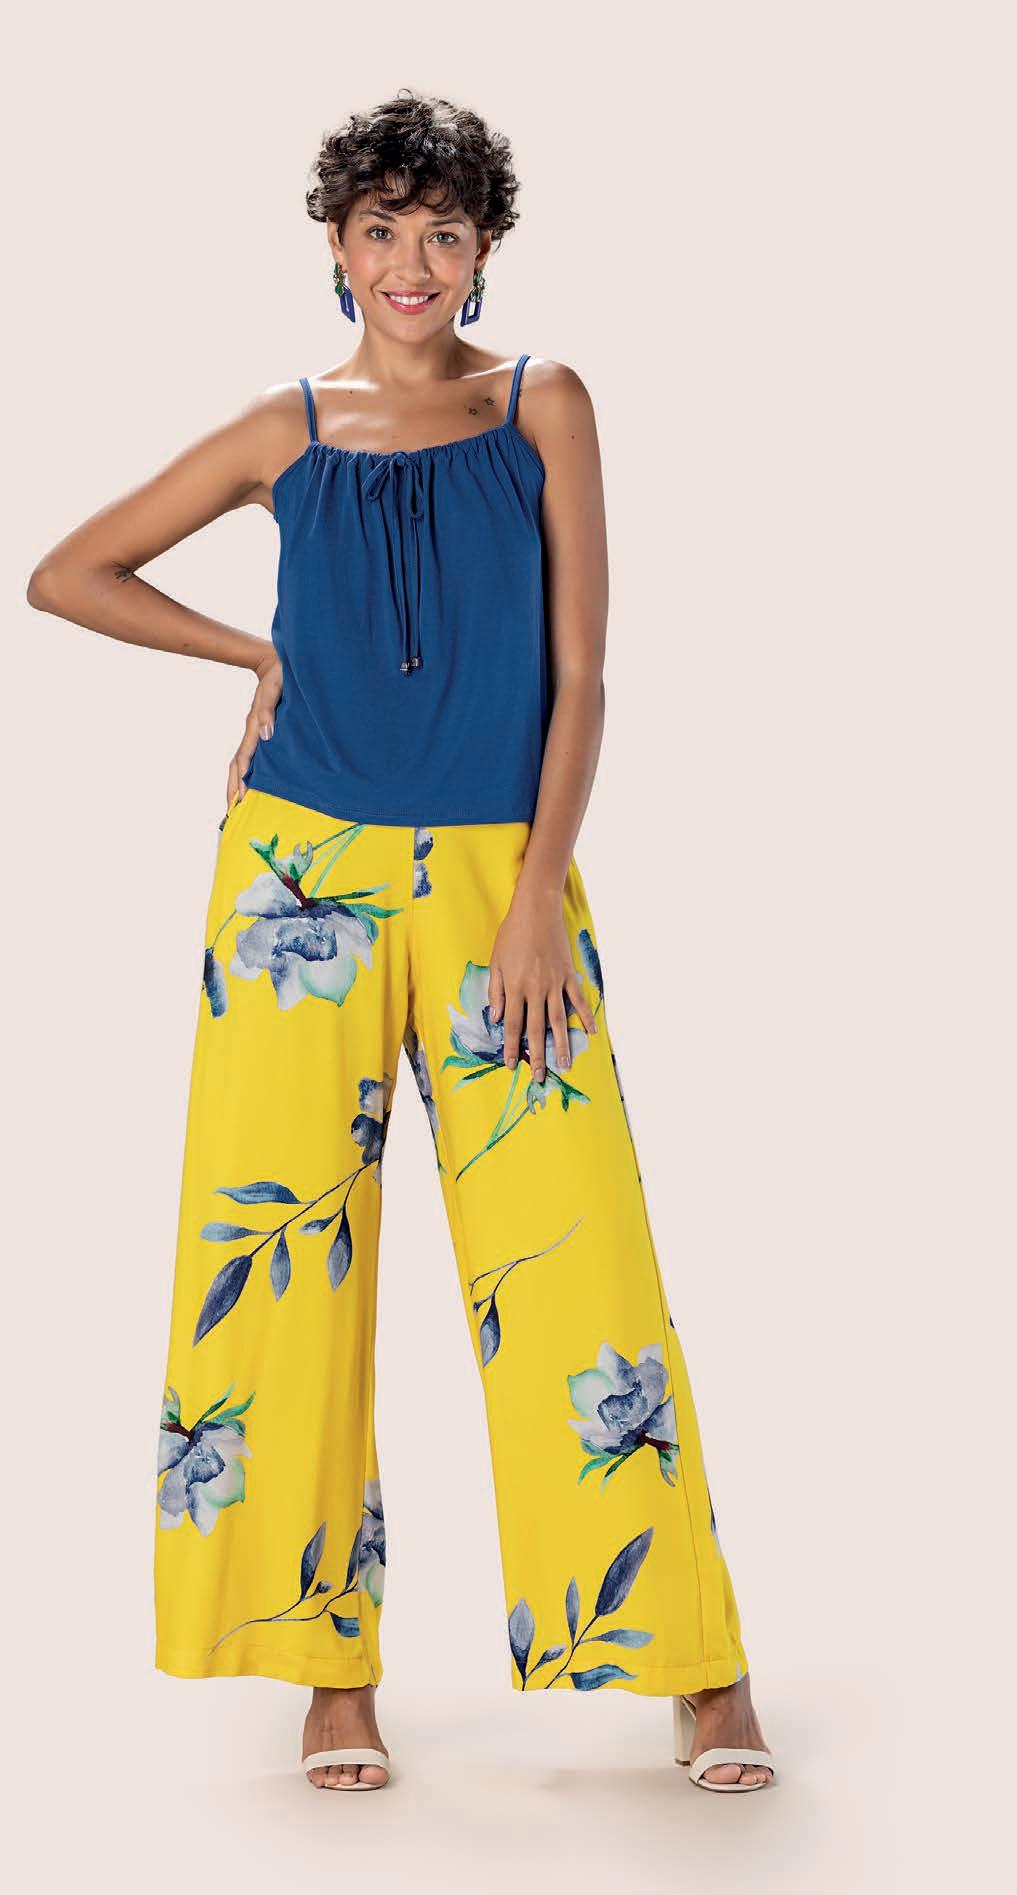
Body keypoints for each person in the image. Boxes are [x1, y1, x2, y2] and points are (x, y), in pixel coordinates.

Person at [26, 88, 774, 1797]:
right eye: (382, 230)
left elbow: (580, 677)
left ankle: (696, 1660)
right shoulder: (281, 430)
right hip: (294, 890)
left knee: (579, 1259)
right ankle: (326, 1670)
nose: (412, 262)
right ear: (338, 246)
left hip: (503, 877)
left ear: (485, 246)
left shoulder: (545, 404)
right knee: (286, 1274)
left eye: (444, 231)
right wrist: (256, 659)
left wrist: (537, 894)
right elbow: (68, 574)